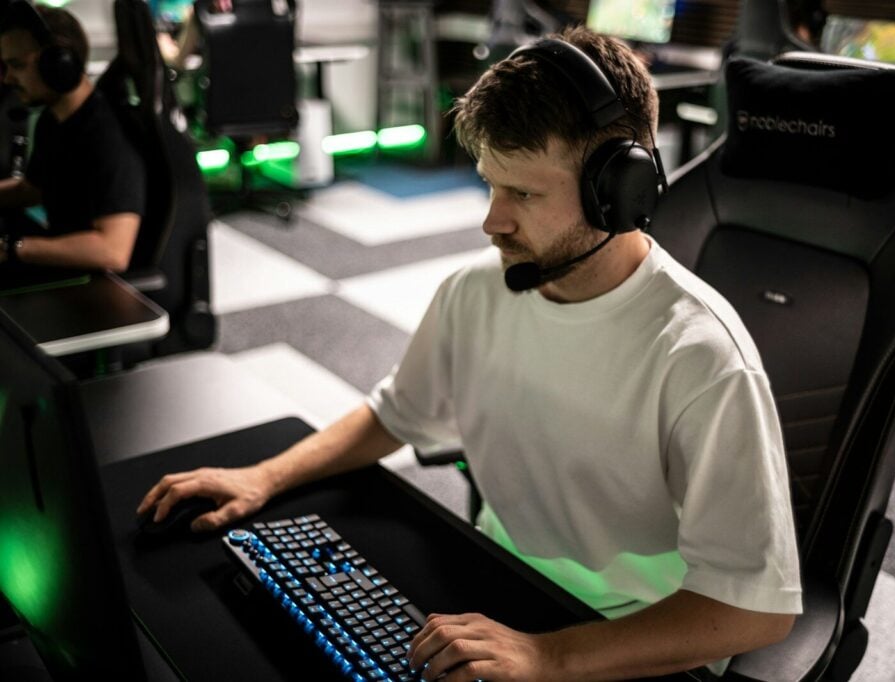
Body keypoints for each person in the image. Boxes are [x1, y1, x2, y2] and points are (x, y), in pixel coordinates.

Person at [138, 25, 802, 680]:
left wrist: (549, 657)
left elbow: (753, 612)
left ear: (619, 193)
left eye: (525, 194)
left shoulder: (701, 358)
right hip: (497, 580)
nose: (492, 221)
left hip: (631, 635)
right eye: (491, 185)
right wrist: (266, 477)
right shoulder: (478, 291)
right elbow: (397, 414)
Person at [0, 2, 145, 275]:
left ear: (59, 65)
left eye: (16, 65)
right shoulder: (53, 120)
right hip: (63, 263)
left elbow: (113, 250)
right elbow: (32, 189)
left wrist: (12, 248)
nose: (7, 78)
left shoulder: (106, 134)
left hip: (97, 287)